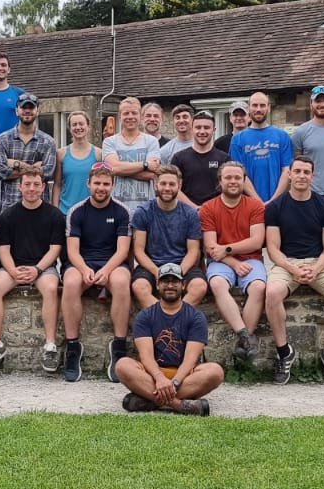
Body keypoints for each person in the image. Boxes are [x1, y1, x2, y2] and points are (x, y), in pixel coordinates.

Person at [263, 155, 324, 386]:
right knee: (272, 293)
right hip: (287, 262)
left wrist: (316, 268)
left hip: (318, 262)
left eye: (306, 172)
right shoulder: (275, 207)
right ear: (290, 175)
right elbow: (273, 247)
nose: (302, 176)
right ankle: (284, 353)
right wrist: (292, 268)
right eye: (298, 171)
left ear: (313, 176)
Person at [0, 167, 66, 373]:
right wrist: (13, 272)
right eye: (27, 184)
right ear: (20, 187)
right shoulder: (8, 215)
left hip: (42, 267)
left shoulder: (54, 215)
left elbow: (55, 249)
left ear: (43, 187)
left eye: (36, 184)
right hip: (14, 266)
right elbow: (4, 250)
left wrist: (37, 269)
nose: (31, 189)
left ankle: (50, 346)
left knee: (51, 289)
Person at [114, 264, 223, 416]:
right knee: (122, 365)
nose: (170, 285)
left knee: (215, 372)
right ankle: (179, 405)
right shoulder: (145, 316)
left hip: (184, 375)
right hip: (153, 374)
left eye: (175, 281)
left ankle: (149, 400)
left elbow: (191, 359)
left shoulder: (196, 317)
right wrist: (159, 378)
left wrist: (175, 382)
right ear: (157, 285)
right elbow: (146, 357)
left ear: (183, 285)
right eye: (165, 281)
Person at [62, 164, 135, 383]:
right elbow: (72, 251)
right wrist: (85, 270)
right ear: (89, 184)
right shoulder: (76, 211)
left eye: (106, 184)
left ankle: (119, 347)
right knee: (71, 281)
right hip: (82, 261)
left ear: (112, 185)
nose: (101, 188)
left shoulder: (122, 211)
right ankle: (73, 347)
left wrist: (105, 270)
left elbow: (123, 250)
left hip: (112, 262)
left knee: (122, 281)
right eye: (97, 183)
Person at [199, 161, 265, 362]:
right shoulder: (209, 208)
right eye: (228, 177)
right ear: (220, 181)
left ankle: (243, 341)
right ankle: (246, 335)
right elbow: (211, 246)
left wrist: (228, 248)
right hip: (221, 261)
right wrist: (234, 262)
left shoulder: (255, 205)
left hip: (250, 258)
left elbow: (257, 241)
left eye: (238, 178)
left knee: (259, 287)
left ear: (244, 181)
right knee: (217, 283)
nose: (233, 181)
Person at [130, 166, 207, 307]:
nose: (167, 188)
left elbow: (193, 251)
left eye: (172, 184)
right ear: (155, 185)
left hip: (182, 264)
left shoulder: (190, 214)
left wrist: (178, 272)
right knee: (139, 287)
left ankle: (172, 316)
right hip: (152, 265)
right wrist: (157, 272)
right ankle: (166, 317)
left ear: (180, 185)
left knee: (199, 286)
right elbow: (139, 251)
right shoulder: (143, 212)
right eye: (163, 184)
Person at [0, 92, 58, 213]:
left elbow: (48, 173)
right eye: (23, 107)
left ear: (37, 111)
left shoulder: (48, 141)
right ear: (17, 111)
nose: (27, 111)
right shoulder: (2, 139)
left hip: (39, 209)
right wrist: (34, 168)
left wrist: (15, 163)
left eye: (31, 107)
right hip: (9, 207)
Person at [230, 91, 293, 202]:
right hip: (248, 203)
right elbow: (239, 174)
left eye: (262, 105)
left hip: (278, 202)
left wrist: (273, 201)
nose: (258, 109)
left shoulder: (282, 136)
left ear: (268, 108)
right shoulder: (237, 139)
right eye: (254, 105)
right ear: (249, 108)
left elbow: (286, 171)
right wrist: (258, 201)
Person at [103, 96, 161, 211]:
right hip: (117, 208)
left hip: (146, 208)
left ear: (140, 116)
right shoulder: (110, 141)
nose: (130, 116)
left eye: (134, 113)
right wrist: (145, 165)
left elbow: (151, 174)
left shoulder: (151, 141)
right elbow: (112, 168)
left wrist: (121, 170)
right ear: (120, 116)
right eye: (126, 113)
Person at [170, 111, 229, 207]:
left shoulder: (224, 158)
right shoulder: (179, 158)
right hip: (187, 213)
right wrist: (195, 208)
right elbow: (173, 187)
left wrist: (208, 209)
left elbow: (228, 188)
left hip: (215, 213)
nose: (202, 132)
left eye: (206, 128)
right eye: (198, 127)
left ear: (214, 130)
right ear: (192, 129)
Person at [54, 110, 103, 213]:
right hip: (65, 211)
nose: (78, 127)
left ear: (88, 126)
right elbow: (57, 184)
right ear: (70, 128)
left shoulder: (99, 154)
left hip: (91, 211)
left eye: (81, 124)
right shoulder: (61, 154)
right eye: (74, 124)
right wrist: (55, 210)